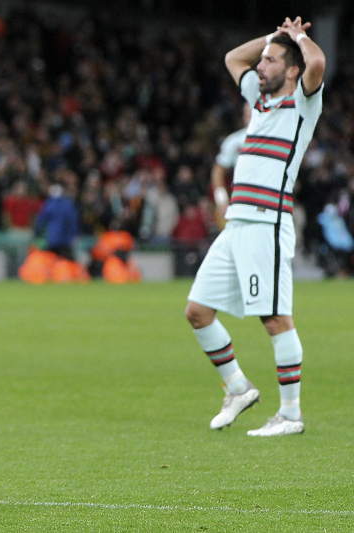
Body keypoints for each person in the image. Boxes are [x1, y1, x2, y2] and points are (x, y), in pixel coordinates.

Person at [185, 16, 325, 437]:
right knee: (197, 312)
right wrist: (273, 38)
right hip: (237, 224)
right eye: (261, 62)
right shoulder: (260, 102)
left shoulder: (302, 103)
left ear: (292, 70)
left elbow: (317, 63)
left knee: (275, 319)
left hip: (267, 222)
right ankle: (238, 388)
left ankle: (291, 414)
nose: (259, 66)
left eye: (270, 62)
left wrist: (297, 38)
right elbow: (232, 58)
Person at [210, 102, 252, 227]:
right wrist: (222, 200)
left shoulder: (273, 138)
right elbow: (218, 171)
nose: (248, 116)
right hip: (241, 202)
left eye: (252, 112)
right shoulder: (235, 141)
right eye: (246, 113)